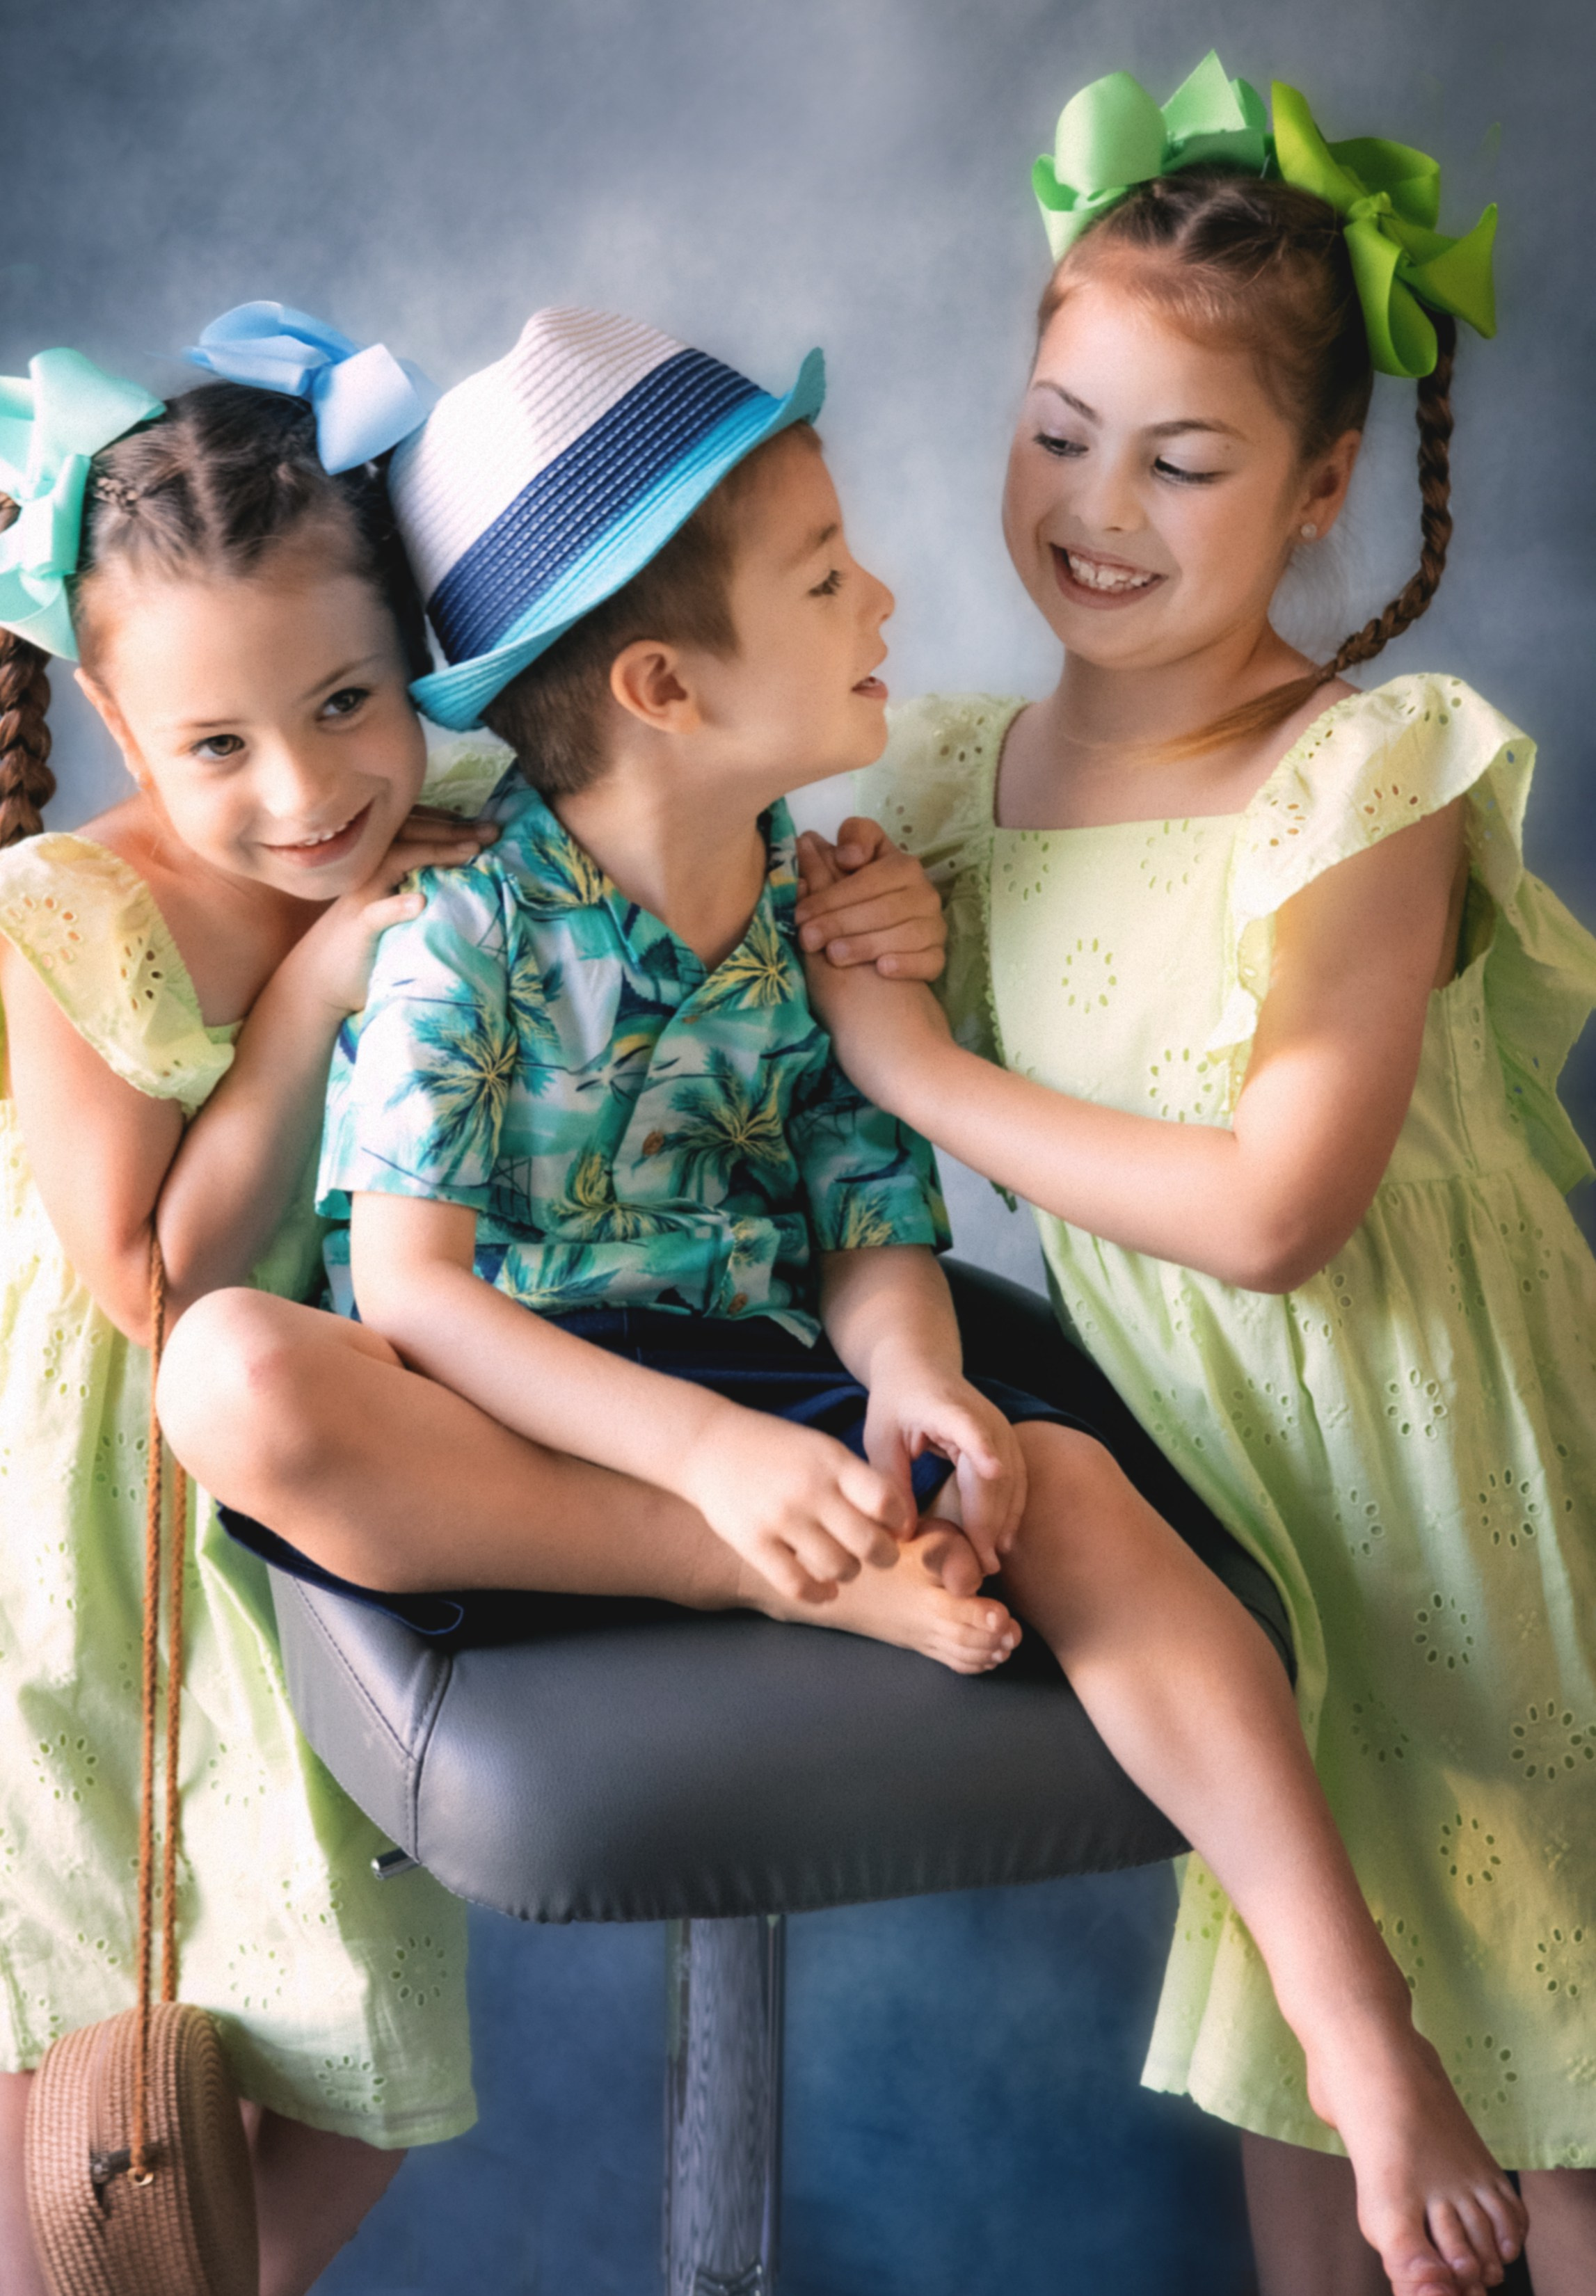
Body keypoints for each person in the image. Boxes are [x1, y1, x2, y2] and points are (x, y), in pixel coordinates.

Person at [161, 304, 1523, 2296]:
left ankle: (1359, 2028)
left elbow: (870, 1208)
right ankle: (762, 1567)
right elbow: (422, 1296)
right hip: (512, 1431)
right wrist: (716, 1478)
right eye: (822, 575)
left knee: (1085, 1503)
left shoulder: (813, 915)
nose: (885, 590)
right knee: (234, 1374)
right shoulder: (464, 935)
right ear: (662, 685)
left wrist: (911, 1381)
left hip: (767, 1387)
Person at [800, 54, 1593, 2295]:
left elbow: (1274, 1209)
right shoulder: (952, 778)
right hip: (1224, 1544)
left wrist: (922, 1062)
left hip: (1459, 1500)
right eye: (1059, 429)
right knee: (1326, 2103)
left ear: (1322, 481)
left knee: (1553, 2085)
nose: (1098, 504)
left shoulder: (1366, 772)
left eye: (1186, 457)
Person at [0, 314, 496, 2296]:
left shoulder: (444, 822)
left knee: (327, 1977)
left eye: (347, 702)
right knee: (59, 1974)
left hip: (295, 1456)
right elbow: (150, 1275)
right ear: (126, 734)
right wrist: (309, 993)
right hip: (62, 1500)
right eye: (220, 744)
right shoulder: (78, 917)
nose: (308, 791)